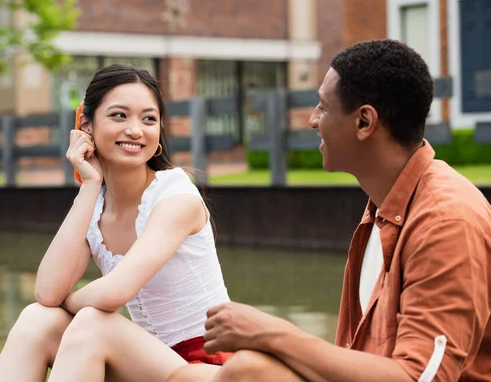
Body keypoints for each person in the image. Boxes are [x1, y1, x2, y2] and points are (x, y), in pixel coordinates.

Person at [168, 39, 491, 382]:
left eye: (322, 107)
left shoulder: (446, 222)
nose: (312, 120)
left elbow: (417, 378)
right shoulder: (385, 205)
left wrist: (272, 333)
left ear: (364, 122)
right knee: (212, 371)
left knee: (248, 373)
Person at [0, 64, 231, 382]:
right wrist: (88, 187)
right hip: (146, 359)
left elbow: (114, 293)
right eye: (119, 115)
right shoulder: (96, 205)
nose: (135, 130)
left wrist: (69, 301)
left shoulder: (175, 195)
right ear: (86, 126)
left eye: (148, 119)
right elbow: (47, 293)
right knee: (38, 319)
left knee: (92, 322)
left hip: (209, 366)